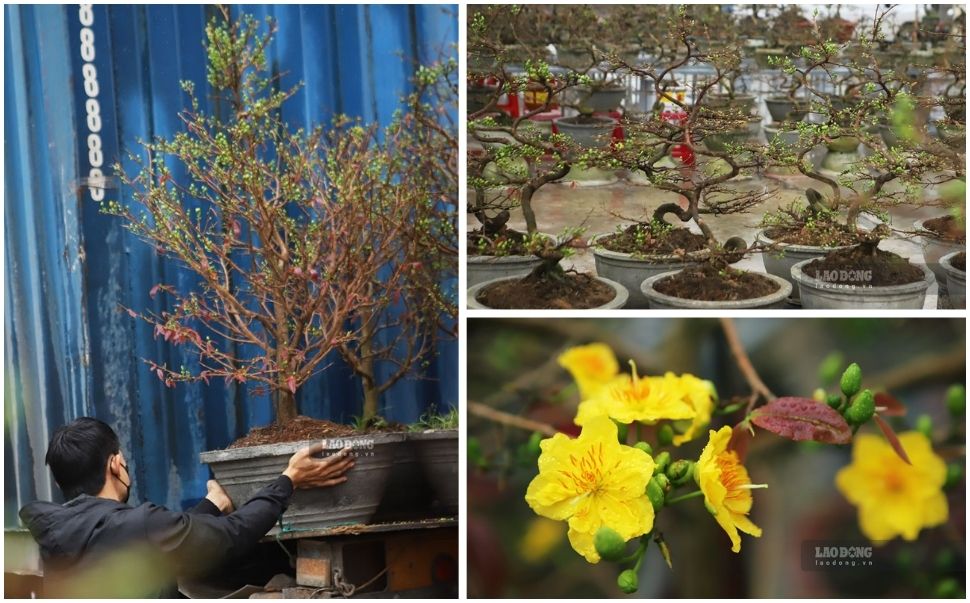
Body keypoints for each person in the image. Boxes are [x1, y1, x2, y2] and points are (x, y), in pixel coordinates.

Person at [19, 417, 355, 597]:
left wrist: (210, 505)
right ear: (115, 464)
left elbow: (157, 537)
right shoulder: (137, 526)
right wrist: (289, 479)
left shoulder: (58, 532)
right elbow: (231, 536)